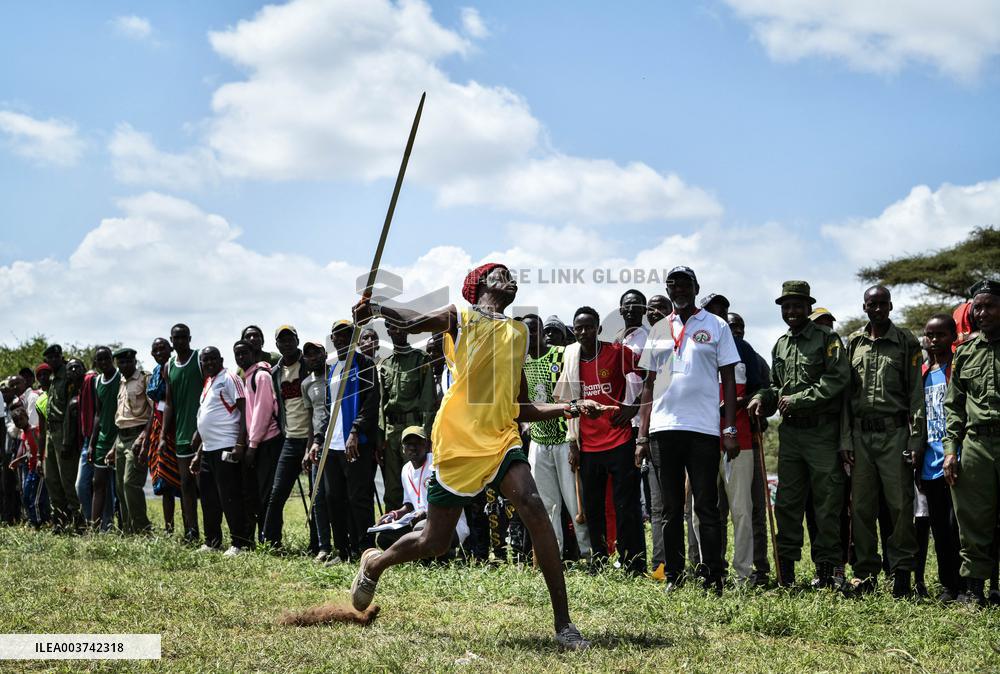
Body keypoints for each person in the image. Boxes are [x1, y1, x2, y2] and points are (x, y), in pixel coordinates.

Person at [349, 262, 615, 650]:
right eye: (499, 273)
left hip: (501, 439)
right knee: (434, 541)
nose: (510, 277)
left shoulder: (519, 331)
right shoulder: (461, 317)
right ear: (479, 285)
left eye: (511, 274)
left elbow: (520, 405)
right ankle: (375, 562)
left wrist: (572, 407)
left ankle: (564, 625)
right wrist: (380, 310)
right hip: (457, 443)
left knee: (534, 506)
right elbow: (413, 321)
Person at [637, 267, 740, 593]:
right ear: (668, 290)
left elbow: (728, 380)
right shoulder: (658, 329)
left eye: (684, 284)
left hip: (703, 429)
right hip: (663, 428)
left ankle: (713, 578)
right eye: (672, 284)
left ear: (695, 287)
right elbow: (650, 385)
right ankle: (675, 577)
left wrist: (731, 428)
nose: (678, 289)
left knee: (707, 507)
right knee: (669, 509)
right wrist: (642, 434)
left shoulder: (716, 324)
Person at [748, 281, 850, 587]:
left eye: (797, 306)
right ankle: (786, 573)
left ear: (808, 307)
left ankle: (827, 571)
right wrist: (762, 399)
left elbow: (837, 380)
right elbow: (778, 387)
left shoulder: (827, 338)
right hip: (791, 435)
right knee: (788, 505)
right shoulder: (780, 344)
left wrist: (799, 399)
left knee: (827, 503)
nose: (791, 311)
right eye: (786, 306)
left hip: (821, 433)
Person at [843, 286, 922, 597]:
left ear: (890, 306)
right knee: (861, 507)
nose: (877, 309)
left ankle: (902, 571)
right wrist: (845, 439)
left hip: (895, 434)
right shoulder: (853, 342)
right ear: (864, 307)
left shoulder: (906, 341)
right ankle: (865, 573)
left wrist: (916, 440)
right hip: (861, 436)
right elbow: (847, 397)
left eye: (882, 303)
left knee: (900, 505)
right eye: (871, 304)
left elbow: (916, 394)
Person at [563, 306, 647, 575]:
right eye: (579, 327)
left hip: (620, 441)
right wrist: (573, 443)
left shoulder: (616, 352)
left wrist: (633, 408)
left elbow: (650, 375)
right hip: (589, 445)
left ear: (599, 328)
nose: (584, 332)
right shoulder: (573, 359)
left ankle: (633, 563)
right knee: (593, 508)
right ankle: (598, 560)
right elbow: (566, 402)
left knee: (627, 507)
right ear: (574, 331)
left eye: (589, 326)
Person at [943, 279, 1000, 605]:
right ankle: (975, 591)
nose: (982, 313)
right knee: (973, 520)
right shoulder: (965, 354)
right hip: (976, 445)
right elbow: (954, 406)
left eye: (989, 305)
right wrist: (952, 450)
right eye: (977, 307)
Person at [309, 325, 380, 562]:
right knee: (333, 498)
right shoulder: (332, 369)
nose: (341, 339)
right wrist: (319, 440)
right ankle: (342, 550)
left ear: (354, 339)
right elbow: (328, 411)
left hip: (355, 442)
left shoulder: (365, 364)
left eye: (346, 334)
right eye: (337, 335)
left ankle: (365, 549)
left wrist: (355, 431)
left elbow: (371, 402)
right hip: (332, 445)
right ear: (332, 339)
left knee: (358, 498)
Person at [522, 314, 590, 560]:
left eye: (532, 331)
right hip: (539, 441)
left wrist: (574, 440)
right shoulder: (521, 362)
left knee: (575, 501)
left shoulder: (561, 355)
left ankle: (588, 554)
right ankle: (554, 554)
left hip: (564, 438)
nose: (528, 337)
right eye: (524, 332)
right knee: (548, 504)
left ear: (540, 331)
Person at [913, 314, 964, 602]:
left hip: (956, 458)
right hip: (929, 462)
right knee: (940, 530)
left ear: (953, 336)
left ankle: (969, 585)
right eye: (929, 335)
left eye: (941, 335)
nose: (934, 340)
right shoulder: (922, 372)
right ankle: (948, 585)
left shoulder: (958, 368)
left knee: (959, 526)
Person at [190, 346, 251, 555]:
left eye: (212, 359)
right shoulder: (209, 382)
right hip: (208, 449)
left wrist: (240, 444)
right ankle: (212, 541)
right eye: (205, 360)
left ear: (221, 359)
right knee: (208, 497)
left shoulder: (229, 378)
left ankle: (239, 543)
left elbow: (244, 411)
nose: (208, 363)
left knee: (230, 496)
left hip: (227, 445)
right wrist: (198, 453)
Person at [375, 426, 469, 551]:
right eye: (408, 444)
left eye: (418, 443)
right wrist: (394, 514)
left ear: (426, 445)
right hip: (420, 523)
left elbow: (450, 501)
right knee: (385, 537)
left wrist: (426, 513)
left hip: (450, 525)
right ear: (402, 448)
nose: (413, 448)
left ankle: (442, 555)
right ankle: (428, 557)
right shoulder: (405, 469)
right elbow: (409, 505)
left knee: (421, 529)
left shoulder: (436, 464)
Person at [378, 321, 436, 511]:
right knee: (392, 486)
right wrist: (381, 438)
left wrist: (427, 437)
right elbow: (381, 404)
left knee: (418, 480)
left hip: (414, 431)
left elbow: (428, 401)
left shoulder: (421, 359)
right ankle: (393, 533)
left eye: (402, 327)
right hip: (391, 432)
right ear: (388, 331)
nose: (398, 331)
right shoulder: (385, 365)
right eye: (393, 328)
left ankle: (421, 530)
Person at [262, 325, 311, 549]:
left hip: (312, 439)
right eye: (282, 340)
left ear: (297, 340)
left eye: (290, 338)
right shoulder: (275, 373)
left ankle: (318, 544)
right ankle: (271, 542)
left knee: (317, 495)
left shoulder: (309, 365)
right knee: (277, 492)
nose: (287, 343)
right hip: (290, 439)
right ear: (277, 345)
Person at [234, 339, 282, 543]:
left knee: (267, 494)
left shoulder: (261, 376)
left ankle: (271, 539)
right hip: (255, 443)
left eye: (245, 353)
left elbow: (262, 412)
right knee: (255, 494)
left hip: (267, 441)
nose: (241, 357)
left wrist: (251, 445)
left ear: (255, 354)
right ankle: (262, 536)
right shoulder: (246, 377)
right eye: (237, 354)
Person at [159, 323, 202, 542]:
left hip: (202, 434)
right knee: (185, 484)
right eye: (176, 338)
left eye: (183, 337)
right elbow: (169, 404)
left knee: (204, 486)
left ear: (190, 338)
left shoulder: (200, 359)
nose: (180, 341)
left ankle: (214, 533)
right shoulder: (169, 366)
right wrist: (163, 435)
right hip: (181, 434)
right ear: (171, 340)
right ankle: (191, 531)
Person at [106, 348, 153, 534]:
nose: (124, 366)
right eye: (121, 363)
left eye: (128, 362)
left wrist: (144, 437)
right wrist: (113, 447)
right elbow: (121, 416)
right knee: (120, 487)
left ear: (134, 361)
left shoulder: (144, 378)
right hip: (121, 437)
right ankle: (128, 530)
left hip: (137, 436)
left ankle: (143, 529)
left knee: (130, 484)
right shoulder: (121, 382)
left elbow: (154, 412)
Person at [40, 344, 83, 531]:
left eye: (56, 357)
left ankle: (79, 521)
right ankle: (59, 521)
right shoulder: (53, 379)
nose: (53, 360)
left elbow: (69, 413)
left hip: (63, 433)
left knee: (67, 480)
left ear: (61, 357)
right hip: (51, 433)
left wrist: (66, 440)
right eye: (50, 358)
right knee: (52, 479)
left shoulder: (68, 377)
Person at [143, 337, 181, 533]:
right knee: (164, 481)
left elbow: (171, 402)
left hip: (175, 427)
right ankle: (169, 528)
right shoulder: (155, 373)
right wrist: (147, 435)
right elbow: (154, 408)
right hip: (158, 427)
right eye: (155, 349)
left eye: (162, 348)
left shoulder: (175, 367)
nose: (159, 352)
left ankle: (191, 528)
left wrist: (165, 434)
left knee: (181, 480)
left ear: (171, 349)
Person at [88, 347, 120, 532]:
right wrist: (92, 444)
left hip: (119, 439)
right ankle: (94, 529)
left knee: (119, 489)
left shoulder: (120, 378)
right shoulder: (97, 381)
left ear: (112, 359)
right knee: (98, 484)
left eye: (106, 358)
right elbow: (98, 414)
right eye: (100, 359)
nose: (104, 362)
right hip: (102, 440)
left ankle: (126, 528)